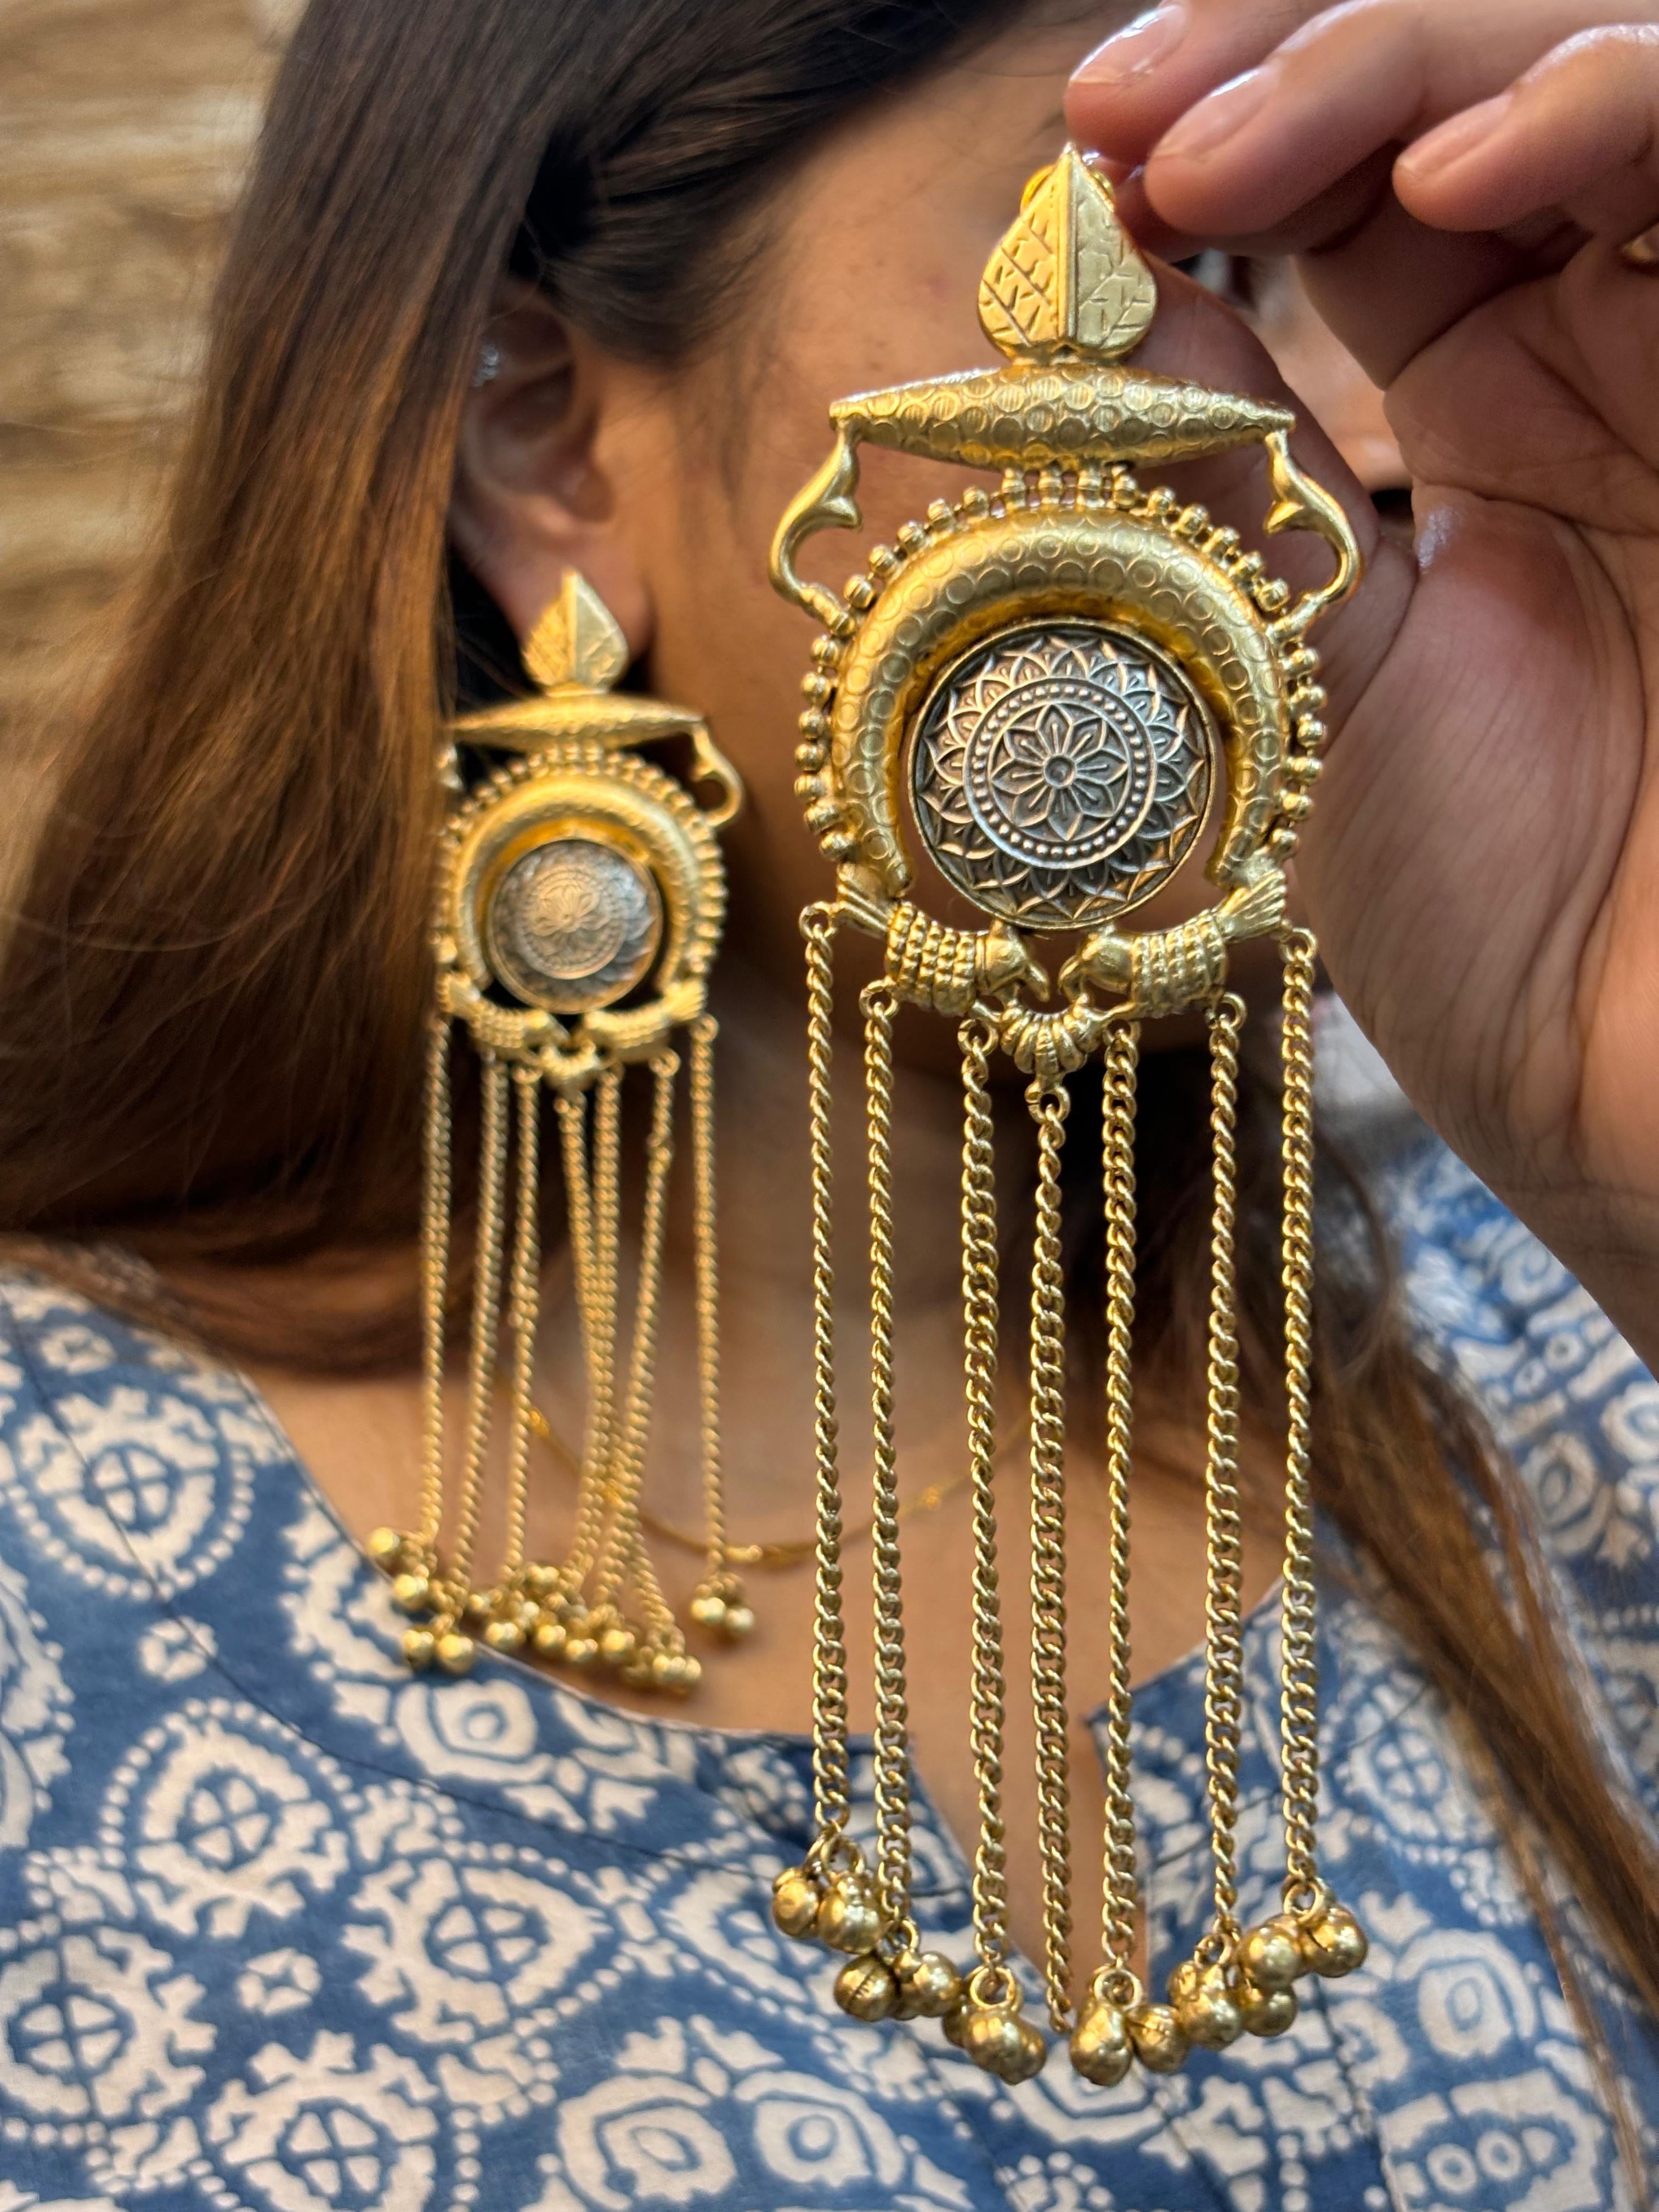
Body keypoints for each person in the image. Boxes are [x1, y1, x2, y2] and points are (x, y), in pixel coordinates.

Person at [0, 1, 1655, 2205]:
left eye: (1382, 284)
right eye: (1194, 269)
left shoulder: (1557, 1347)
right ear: (542, 442)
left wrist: (1616, 1102)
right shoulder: (54, 1593)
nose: (1370, 435)